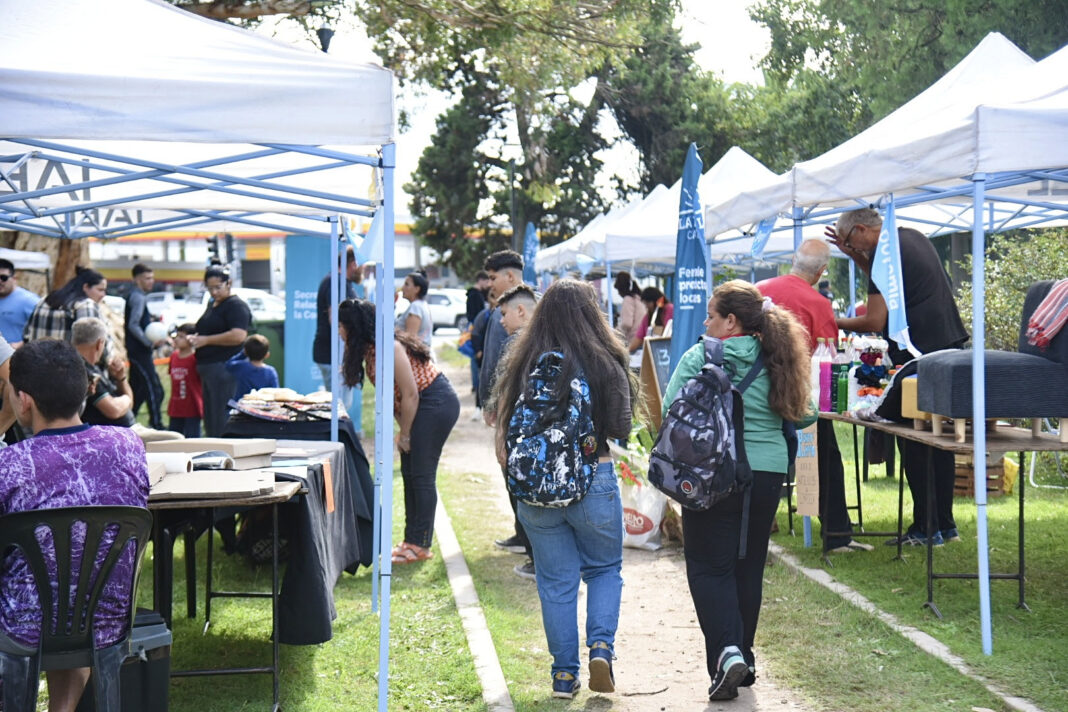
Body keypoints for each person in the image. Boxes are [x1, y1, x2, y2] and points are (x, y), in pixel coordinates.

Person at [662, 280, 813, 701]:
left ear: (731, 322)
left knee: (709, 568)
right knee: (748, 567)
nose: (706, 322)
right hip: (767, 476)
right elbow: (806, 416)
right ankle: (741, 658)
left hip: (711, 474)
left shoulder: (701, 355)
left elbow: (670, 408)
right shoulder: (779, 357)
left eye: (711, 316)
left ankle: (728, 654)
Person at [492, 278, 638, 699]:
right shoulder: (606, 360)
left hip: (535, 489)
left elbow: (504, 425)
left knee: (556, 583)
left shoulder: (523, 359)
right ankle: (601, 647)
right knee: (604, 570)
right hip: (593, 479)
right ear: (592, 314)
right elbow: (622, 427)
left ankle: (562, 676)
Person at [0, 339, 149, 712]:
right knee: (77, 579)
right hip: (105, 617)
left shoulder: (10, 464)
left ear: (24, 400)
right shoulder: (128, 445)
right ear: (85, 390)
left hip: (22, 626)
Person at [827, 207, 969, 546]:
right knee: (940, 435)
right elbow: (888, 287)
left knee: (912, 437)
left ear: (862, 229)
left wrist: (831, 322)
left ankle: (924, 528)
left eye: (851, 242)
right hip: (947, 345)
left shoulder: (884, 255)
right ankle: (944, 525)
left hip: (917, 355)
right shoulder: (909, 238)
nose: (855, 249)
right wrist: (856, 257)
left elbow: (875, 320)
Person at [757, 239, 873, 554]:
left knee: (757, 460)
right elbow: (830, 355)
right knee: (826, 462)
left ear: (793, 259)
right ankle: (836, 536)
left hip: (755, 393)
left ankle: (755, 527)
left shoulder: (759, 290)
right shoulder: (819, 304)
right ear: (822, 271)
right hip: (800, 395)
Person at [338, 298, 460, 564]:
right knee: (409, 473)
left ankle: (421, 544)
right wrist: (404, 430)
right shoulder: (370, 350)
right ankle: (411, 540)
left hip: (434, 402)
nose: (338, 331)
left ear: (354, 326)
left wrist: (405, 433)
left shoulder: (389, 347)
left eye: (341, 325)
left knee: (421, 475)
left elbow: (411, 394)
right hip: (421, 406)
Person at [477, 250, 534, 578]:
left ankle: (531, 547)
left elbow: (504, 368)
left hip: (513, 408)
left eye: (494, 277)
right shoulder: (504, 307)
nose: (489, 283)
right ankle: (520, 533)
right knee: (511, 478)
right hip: (503, 405)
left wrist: (493, 406)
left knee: (519, 477)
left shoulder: (525, 308)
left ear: (510, 277)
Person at [313, 246, 362, 432]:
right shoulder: (336, 282)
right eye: (362, 265)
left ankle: (337, 439)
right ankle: (336, 442)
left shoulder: (340, 282)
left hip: (337, 354)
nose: (363, 270)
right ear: (353, 263)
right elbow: (336, 319)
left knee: (340, 405)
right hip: (334, 354)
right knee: (339, 406)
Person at [72, 317, 135, 428]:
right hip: (114, 435)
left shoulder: (92, 366)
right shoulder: (84, 370)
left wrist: (121, 378)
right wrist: (127, 399)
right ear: (99, 344)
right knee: (175, 438)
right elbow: (113, 410)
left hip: (123, 431)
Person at [23, 267, 108, 349]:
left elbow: (26, 334)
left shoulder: (44, 301)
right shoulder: (85, 305)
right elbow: (92, 343)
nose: (103, 295)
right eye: (100, 290)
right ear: (85, 287)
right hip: (66, 362)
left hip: (36, 360)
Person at [125, 263, 167, 430]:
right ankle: (156, 423)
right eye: (147, 278)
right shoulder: (138, 297)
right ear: (136, 279)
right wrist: (148, 341)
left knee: (138, 390)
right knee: (154, 389)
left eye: (152, 278)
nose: (151, 281)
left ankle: (128, 422)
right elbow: (133, 325)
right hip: (139, 352)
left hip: (137, 351)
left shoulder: (138, 296)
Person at [168, 323, 203, 438]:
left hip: (192, 408)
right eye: (177, 336)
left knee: (192, 439)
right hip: (176, 406)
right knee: (173, 438)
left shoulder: (196, 358)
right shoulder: (173, 356)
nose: (177, 339)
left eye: (182, 337)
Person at [226, 334, 280, 400]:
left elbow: (228, 364)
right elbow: (275, 392)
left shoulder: (240, 367)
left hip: (242, 406)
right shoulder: (271, 371)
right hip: (263, 407)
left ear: (246, 352)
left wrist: (242, 354)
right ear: (267, 355)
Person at [0, 258, 39, 348]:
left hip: (17, 356)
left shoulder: (29, 300)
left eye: (3, 278)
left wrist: (21, 345)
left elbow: (40, 330)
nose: (0, 281)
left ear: (14, 278)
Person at [466, 270, 491, 396]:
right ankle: (476, 385)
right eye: (487, 281)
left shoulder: (480, 293)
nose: (488, 284)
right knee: (475, 358)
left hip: (479, 329)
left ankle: (476, 385)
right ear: (480, 280)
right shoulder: (474, 295)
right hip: (477, 330)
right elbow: (473, 315)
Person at [626, 286, 674, 353]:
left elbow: (668, 333)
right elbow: (638, 338)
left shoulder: (669, 309)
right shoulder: (648, 317)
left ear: (654, 301)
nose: (647, 307)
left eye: (647, 304)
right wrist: (626, 352)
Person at [396, 270, 434, 347]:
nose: (402, 288)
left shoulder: (416, 307)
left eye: (407, 284)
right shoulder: (421, 305)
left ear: (417, 289)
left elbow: (410, 338)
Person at [613, 271, 643, 346]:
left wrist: (614, 333)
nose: (618, 293)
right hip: (641, 338)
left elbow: (627, 323)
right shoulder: (637, 298)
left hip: (632, 340)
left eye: (618, 290)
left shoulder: (628, 299)